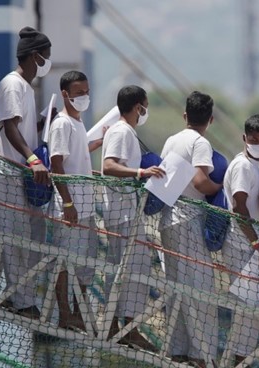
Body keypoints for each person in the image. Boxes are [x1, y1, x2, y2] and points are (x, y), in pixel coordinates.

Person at [0, 26, 52, 319]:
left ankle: (22, 295)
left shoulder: (27, 87)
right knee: (13, 236)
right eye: (46, 57)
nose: (47, 62)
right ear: (35, 56)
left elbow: (24, 125)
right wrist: (32, 159)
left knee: (28, 235)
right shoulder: (12, 84)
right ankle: (22, 301)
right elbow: (10, 126)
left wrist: (44, 122)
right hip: (5, 169)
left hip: (20, 172)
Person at [159, 91, 221, 366]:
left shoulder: (172, 140)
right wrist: (221, 190)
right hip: (189, 217)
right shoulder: (200, 142)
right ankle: (202, 356)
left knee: (176, 287)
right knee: (201, 290)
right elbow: (200, 181)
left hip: (167, 217)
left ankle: (178, 349)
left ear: (185, 116)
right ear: (210, 119)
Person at [101, 85, 164, 352]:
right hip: (123, 213)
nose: (145, 112)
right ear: (138, 106)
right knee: (133, 271)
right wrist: (141, 172)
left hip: (125, 211)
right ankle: (128, 327)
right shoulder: (121, 131)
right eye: (145, 106)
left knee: (125, 272)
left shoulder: (124, 132)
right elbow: (109, 165)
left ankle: (121, 326)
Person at [48, 71, 103, 332]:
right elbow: (56, 163)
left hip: (86, 207)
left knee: (87, 261)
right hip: (69, 208)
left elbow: (76, 156)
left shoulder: (78, 123)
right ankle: (64, 313)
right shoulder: (61, 123)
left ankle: (79, 311)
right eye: (79, 92)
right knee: (65, 261)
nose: (84, 97)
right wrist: (68, 204)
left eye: (87, 92)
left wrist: (97, 143)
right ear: (65, 94)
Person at [221, 114, 259, 365]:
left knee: (251, 312)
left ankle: (240, 359)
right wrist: (256, 244)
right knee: (247, 310)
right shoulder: (242, 165)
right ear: (244, 139)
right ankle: (238, 361)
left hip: (251, 249)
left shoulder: (256, 165)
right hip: (242, 246)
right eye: (254, 140)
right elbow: (239, 207)